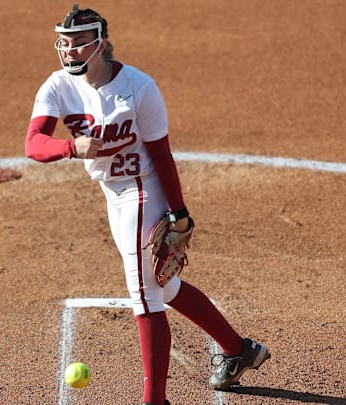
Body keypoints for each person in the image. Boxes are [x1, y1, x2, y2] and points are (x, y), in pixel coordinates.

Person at [25, 5, 270, 404]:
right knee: (165, 285)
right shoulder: (57, 86)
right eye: (64, 44)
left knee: (144, 293)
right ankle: (239, 351)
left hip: (143, 189)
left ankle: (154, 400)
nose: (68, 52)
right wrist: (71, 147)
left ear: (100, 43)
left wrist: (180, 213)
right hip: (112, 193)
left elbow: (161, 155)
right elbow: (33, 143)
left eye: (77, 44)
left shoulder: (139, 88)